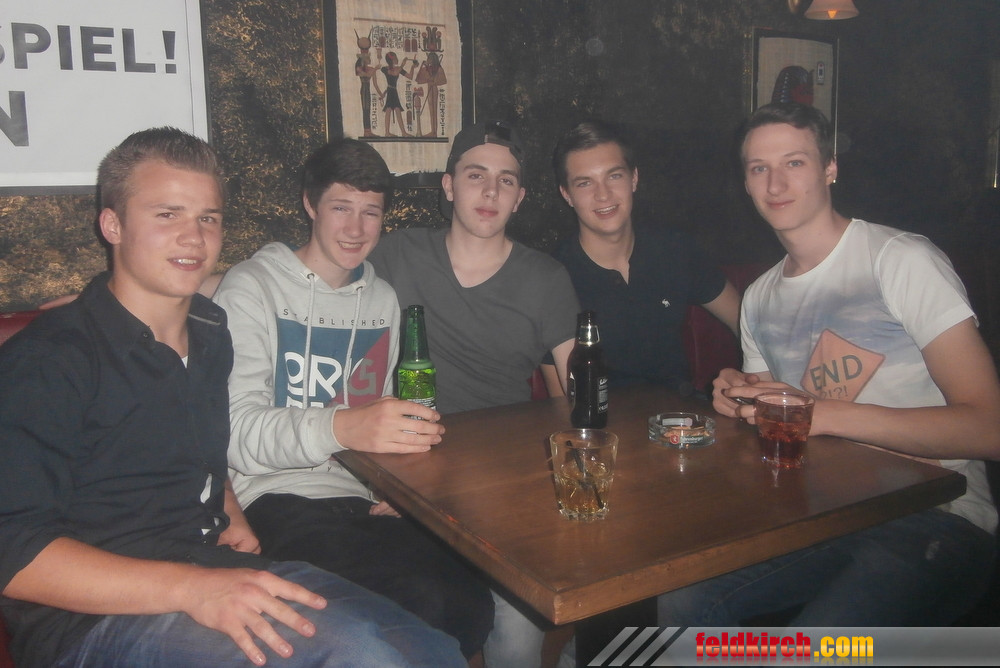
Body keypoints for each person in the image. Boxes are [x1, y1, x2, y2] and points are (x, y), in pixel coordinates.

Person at [0, 127, 466, 668]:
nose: (193, 238)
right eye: (167, 215)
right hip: (91, 622)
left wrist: (226, 504)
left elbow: (195, 445)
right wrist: (191, 589)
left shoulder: (209, 332)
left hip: (206, 566)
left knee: (431, 647)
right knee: (363, 654)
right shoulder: (50, 357)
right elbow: (11, 550)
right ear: (113, 225)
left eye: (208, 218)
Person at [659, 102, 1000, 626]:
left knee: (816, 651)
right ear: (746, 183)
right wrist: (739, 393)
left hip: (938, 515)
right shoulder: (760, 297)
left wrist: (823, 414)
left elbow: (989, 428)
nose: (775, 183)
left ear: (830, 168)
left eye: (794, 162)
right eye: (759, 168)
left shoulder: (899, 259)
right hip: (823, 514)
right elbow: (775, 408)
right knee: (679, 602)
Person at [212, 137, 494, 662]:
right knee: (419, 603)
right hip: (273, 499)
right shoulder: (252, 288)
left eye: (371, 212)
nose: (356, 229)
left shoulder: (382, 300)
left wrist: (401, 489)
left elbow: (385, 424)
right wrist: (342, 427)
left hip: (359, 501)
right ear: (310, 204)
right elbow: (236, 432)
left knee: (471, 599)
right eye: (341, 207)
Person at [369, 120, 580, 667]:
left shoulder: (545, 278)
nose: (490, 192)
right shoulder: (397, 254)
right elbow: (313, 272)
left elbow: (582, 389)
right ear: (448, 185)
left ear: (520, 197)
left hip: (504, 475)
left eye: (506, 180)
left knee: (519, 615)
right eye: (475, 175)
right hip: (411, 467)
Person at [549, 119, 741, 395]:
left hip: (680, 415)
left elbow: (746, 324)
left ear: (634, 179)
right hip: (601, 420)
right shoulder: (554, 278)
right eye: (585, 183)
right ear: (567, 195)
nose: (603, 194)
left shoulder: (675, 250)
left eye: (614, 176)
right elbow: (561, 402)